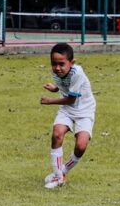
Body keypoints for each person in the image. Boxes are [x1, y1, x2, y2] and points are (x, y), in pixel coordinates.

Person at [40, 43, 96, 189]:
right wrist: (55, 89)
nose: (57, 68)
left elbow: (72, 99)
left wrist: (50, 101)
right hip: (67, 110)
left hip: (84, 110)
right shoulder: (57, 72)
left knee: (81, 146)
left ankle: (63, 171)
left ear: (72, 63)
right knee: (57, 134)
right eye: (54, 64)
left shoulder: (77, 73)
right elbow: (64, 83)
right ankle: (59, 177)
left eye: (61, 64)